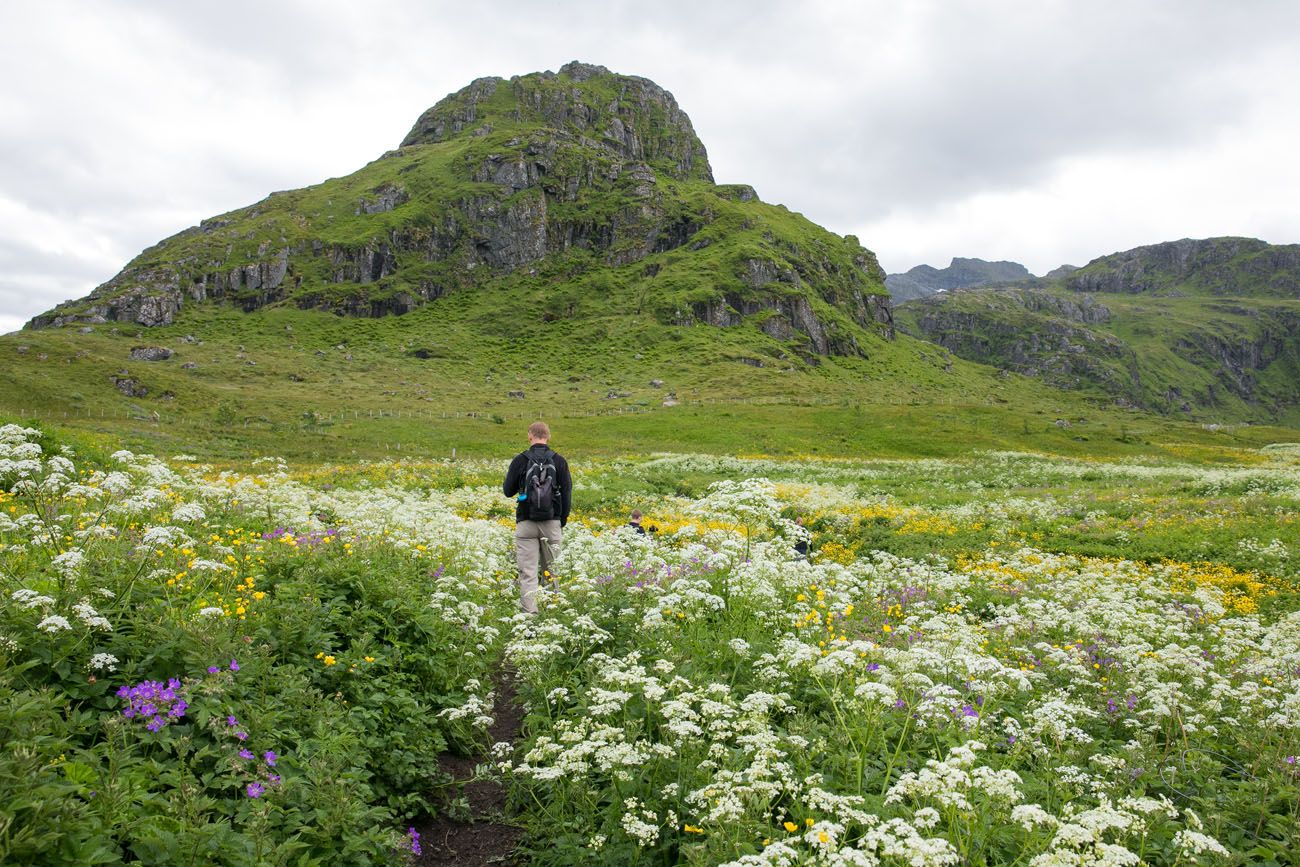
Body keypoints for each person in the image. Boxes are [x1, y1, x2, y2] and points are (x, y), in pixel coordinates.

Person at [502, 421, 572, 614]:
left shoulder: (520, 460)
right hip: (552, 522)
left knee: (528, 573)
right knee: (552, 571)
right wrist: (561, 519)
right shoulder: (559, 461)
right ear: (548, 437)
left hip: (526, 522)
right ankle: (552, 615)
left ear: (530, 436)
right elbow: (567, 494)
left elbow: (508, 491)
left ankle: (531, 616)